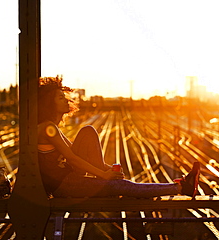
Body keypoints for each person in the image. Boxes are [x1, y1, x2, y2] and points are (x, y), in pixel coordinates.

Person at [37, 76, 200, 199]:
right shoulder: (47, 127)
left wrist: (107, 169)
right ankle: (179, 188)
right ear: (49, 103)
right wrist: (104, 176)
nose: (66, 100)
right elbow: (73, 159)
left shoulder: (51, 127)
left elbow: (76, 152)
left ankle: (105, 175)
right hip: (66, 186)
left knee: (87, 131)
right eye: (60, 98)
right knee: (121, 186)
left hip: (70, 179)